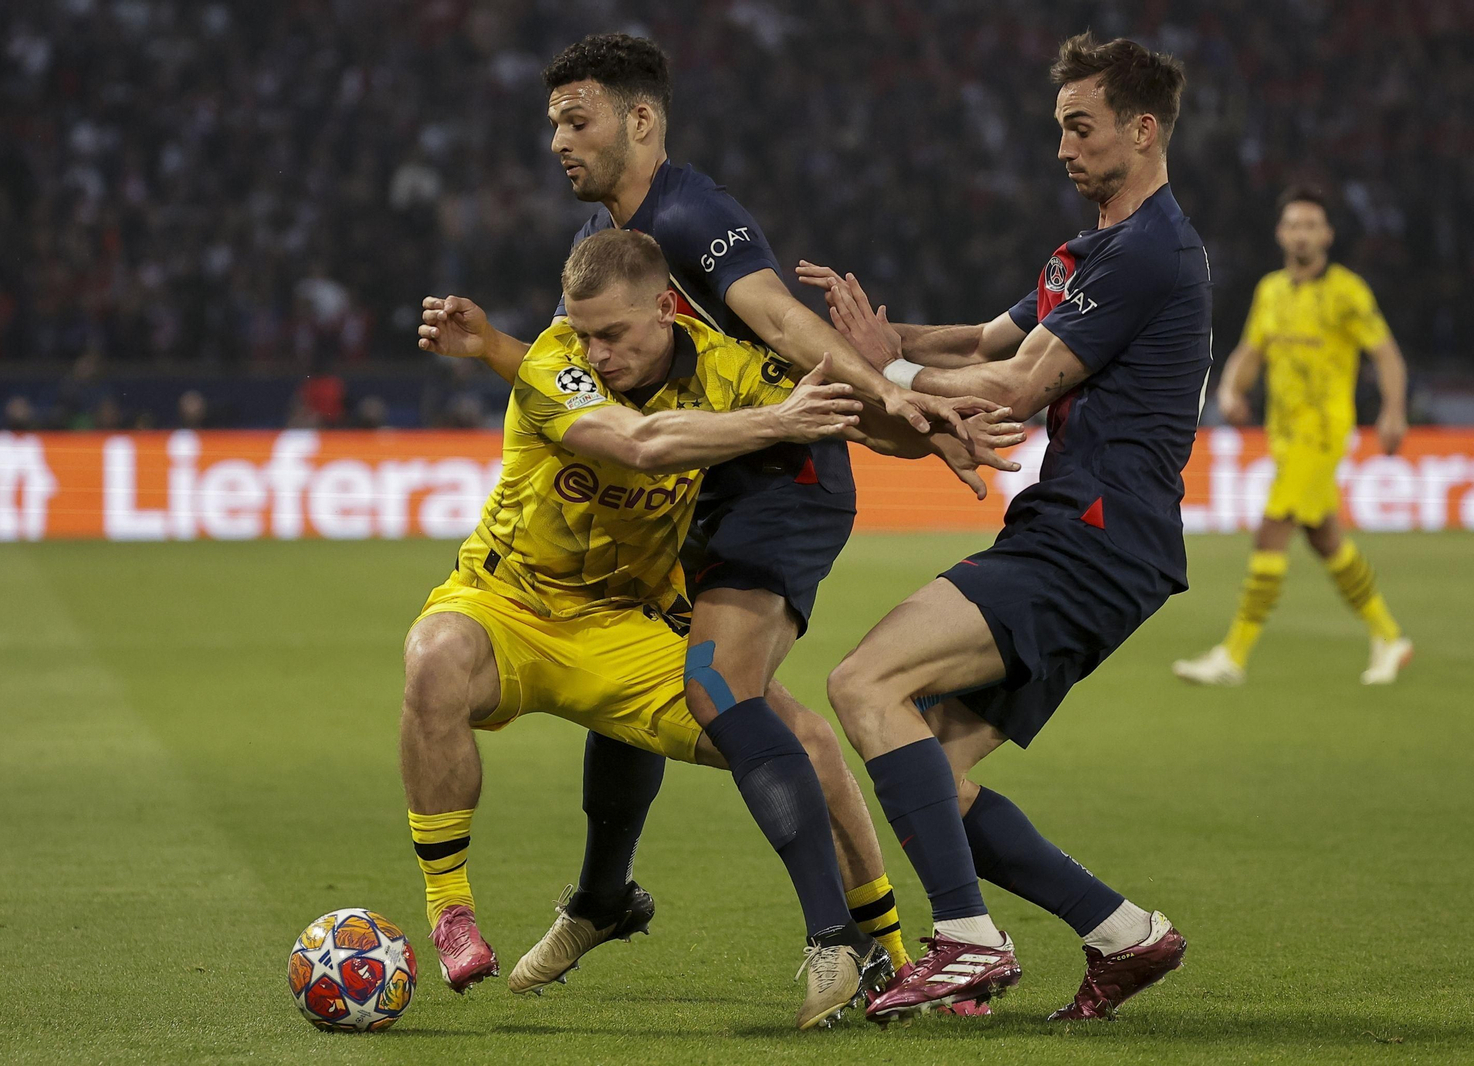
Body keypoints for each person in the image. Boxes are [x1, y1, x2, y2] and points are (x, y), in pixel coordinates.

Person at [417, 33, 1020, 1004]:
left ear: (641, 120)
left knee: (727, 693)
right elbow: (580, 377)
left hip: (782, 478)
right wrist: (492, 345)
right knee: (653, 683)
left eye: (578, 120)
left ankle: (863, 941)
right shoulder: (603, 250)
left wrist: (898, 404)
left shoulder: (691, 215)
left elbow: (784, 326)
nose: (559, 142)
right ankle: (606, 895)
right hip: (705, 474)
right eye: (553, 124)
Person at [798, 32, 1204, 1023]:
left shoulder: (1152, 251)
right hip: (1090, 538)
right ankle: (1122, 932)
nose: (1061, 145)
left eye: (1081, 125)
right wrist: (881, 341)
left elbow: (1020, 384)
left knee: (863, 682)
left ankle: (964, 941)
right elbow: (987, 340)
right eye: (1057, 125)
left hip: (1093, 537)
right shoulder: (1090, 253)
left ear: (1142, 131)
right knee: (928, 772)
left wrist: (882, 373)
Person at [1172, 185, 1412, 687]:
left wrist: (1392, 410)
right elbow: (1248, 352)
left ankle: (1233, 656)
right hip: (1283, 436)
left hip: (1322, 435)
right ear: (1281, 233)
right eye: (1293, 224)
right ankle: (1389, 637)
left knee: (1271, 529)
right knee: (1325, 539)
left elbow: (1386, 354)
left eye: (1311, 224)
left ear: (1326, 234)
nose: (1301, 233)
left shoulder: (1348, 291)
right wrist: (1232, 391)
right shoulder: (1271, 291)